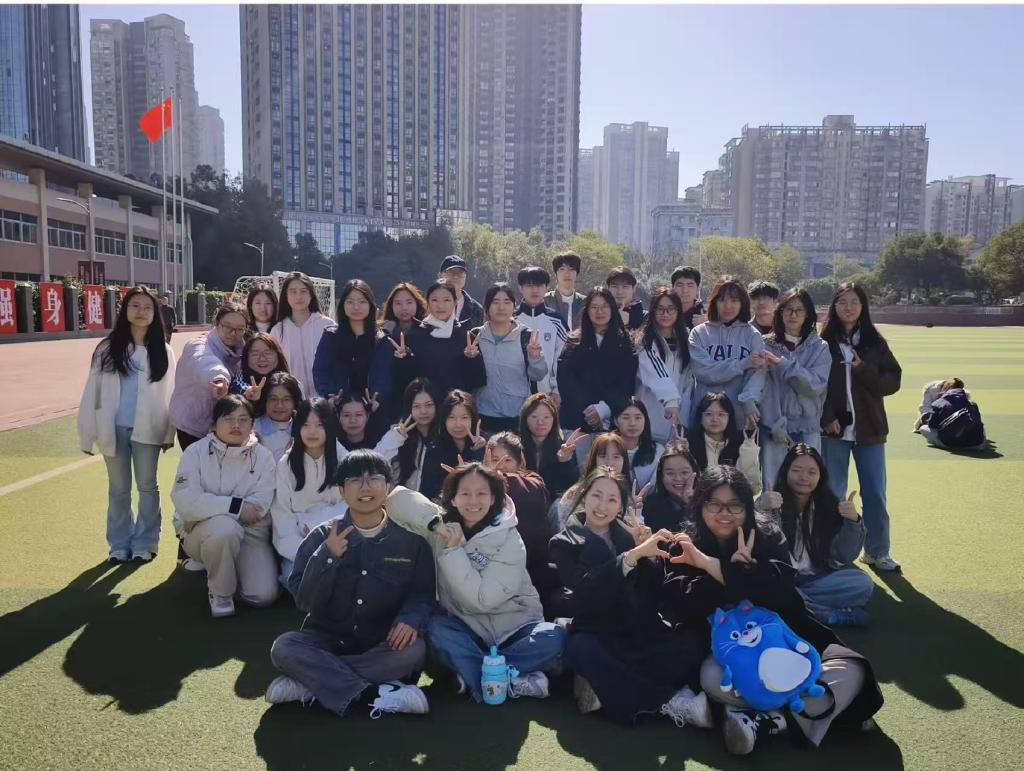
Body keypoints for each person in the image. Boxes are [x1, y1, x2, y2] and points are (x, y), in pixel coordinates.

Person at [659, 465, 883, 756]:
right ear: (700, 504)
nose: (724, 513)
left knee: (852, 669)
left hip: (786, 642)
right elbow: (684, 605)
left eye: (735, 505)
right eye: (714, 503)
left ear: (747, 507)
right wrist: (728, 572)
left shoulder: (767, 535)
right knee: (711, 677)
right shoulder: (684, 545)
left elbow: (783, 594)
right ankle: (806, 713)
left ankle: (771, 720)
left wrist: (718, 568)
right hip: (730, 656)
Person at [266, 450, 436, 718]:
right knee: (284, 647)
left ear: (388, 487)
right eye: (355, 480)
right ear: (342, 491)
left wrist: (410, 619)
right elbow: (304, 600)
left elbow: (422, 595)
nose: (365, 487)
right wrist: (328, 556)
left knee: (414, 651)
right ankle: (373, 694)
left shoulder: (412, 543)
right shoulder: (322, 537)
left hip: (380, 643)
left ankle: (312, 682)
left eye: (374, 479)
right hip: (326, 639)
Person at [387, 463, 566, 702]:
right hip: (466, 628)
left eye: (481, 493)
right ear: (452, 498)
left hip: (516, 629)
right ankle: (513, 677)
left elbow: (483, 601)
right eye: (465, 493)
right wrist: (436, 525)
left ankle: (474, 674)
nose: (473, 501)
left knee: (554, 636)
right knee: (436, 630)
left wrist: (453, 551)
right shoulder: (442, 527)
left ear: (493, 498)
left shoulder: (509, 538)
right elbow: (395, 499)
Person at [549, 468, 708, 726]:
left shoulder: (630, 536)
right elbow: (584, 589)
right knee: (580, 649)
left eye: (612, 499)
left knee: (689, 643)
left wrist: (649, 555)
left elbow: (655, 591)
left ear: (621, 505)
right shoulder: (563, 542)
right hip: (598, 633)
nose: (602, 506)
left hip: (638, 632)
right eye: (596, 495)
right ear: (584, 496)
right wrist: (630, 557)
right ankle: (669, 701)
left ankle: (603, 687)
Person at [78, 286, 176, 563]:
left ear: (155, 313)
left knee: (147, 486)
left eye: (147, 307)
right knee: (118, 489)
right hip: (114, 428)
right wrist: (87, 433)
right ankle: (119, 544)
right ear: (125, 311)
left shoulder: (163, 350)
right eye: (135, 306)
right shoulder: (107, 349)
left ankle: (146, 542)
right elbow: (92, 391)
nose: (141, 312)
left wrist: (168, 433)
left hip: (149, 428)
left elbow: (170, 394)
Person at [819, 283, 902, 573]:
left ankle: (878, 551)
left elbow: (892, 382)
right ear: (834, 306)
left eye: (854, 302)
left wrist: (862, 368)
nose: (849, 307)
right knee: (833, 493)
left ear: (863, 306)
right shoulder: (823, 342)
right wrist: (826, 416)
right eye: (842, 302)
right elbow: (816, 386)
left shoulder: (874, 341)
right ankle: (834, 551)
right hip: (834, 431)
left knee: (875, 493)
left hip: (870, 430)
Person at [171, 395, 279, 617]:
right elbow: (185, 501)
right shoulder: (195, 452)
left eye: (243, 419)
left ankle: (220, 566)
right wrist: (236, 507)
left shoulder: (264, 457)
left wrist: (203, 511)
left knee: (262, 596)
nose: (236, 425)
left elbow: (257, 508)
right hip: (202, 533)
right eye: (228, 419)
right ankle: (221, 594)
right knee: (223, 529)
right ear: (214, 424)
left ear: (252, 424)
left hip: (250, 532)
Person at [756, 444, 874, 627]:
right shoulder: (771, 501)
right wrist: (759, 508)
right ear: (786, 472)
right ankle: (825, 614)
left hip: (816, 580)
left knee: (862, 583)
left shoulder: (829, 505)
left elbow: (844, 556)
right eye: (796, 470)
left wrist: (853, 521)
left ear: (821, 476)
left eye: (812, 472)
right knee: (766, 588)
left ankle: (797, 608)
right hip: (781, 579)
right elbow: (755, 546)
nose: (804, 477)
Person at [270, 398, 347, 588]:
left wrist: (313, 523)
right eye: (306, 425)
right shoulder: (286, 464)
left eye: (319, 425)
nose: (312, 432)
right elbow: (282, 515)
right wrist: (305, 551)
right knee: (296, 581)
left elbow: (350, 505)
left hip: (337, 537)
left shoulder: (343, 459)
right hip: (299, 542)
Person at [557, 287, 639, 462]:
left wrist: (603, 409)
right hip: (576, 421)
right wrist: (589, 409)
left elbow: (627, 383)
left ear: (612, 309)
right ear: (587, 311)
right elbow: (565, 381)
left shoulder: (625, 343)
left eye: (604, 307)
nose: (599, 311)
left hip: (610, 422)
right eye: (594, 307)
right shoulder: (574, 341)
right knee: (579, 470)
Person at [758, 289, 831, 488]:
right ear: (780, 312)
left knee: (807, 487)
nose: (793, 315)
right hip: (775, 429)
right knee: (773, 488)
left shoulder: (819, 347)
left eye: (799, 310)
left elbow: (814, 386)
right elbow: (764, 391)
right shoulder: (765, 345)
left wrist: (783, 365)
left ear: (807, 314)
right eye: (788, 309)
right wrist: (772, 423)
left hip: (808, 428)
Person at [484, 433, 560, 619]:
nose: (500, 465)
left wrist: (495, 477)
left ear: (519, 462)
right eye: (494, 459)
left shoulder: (533, 480)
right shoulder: (482, 484)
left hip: (533, 566)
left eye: (507, 460)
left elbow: (529, 491)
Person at [688, 276, 766, 430]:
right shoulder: (699, 333)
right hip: (705, 417)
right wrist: (742, 364)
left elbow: (758, 374)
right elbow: (704, 371)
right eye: (722, 300)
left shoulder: (753, 335)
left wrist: (748, 399)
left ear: (742, 303)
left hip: (740, 418)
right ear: (714, 302)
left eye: (734, 300)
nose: (728, 306)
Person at [391, 281, 486, 404]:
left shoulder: (466, 336)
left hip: (455, 408)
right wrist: (403, 360)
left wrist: (472, 359)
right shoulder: (415, 335)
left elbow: (477, 382)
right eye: (435, 300)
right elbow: (404, 382)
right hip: (424, 408)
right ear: (427, 303)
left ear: (455, 303)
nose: (440, 306)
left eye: (446, 300)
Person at [471, 282, 548, 433]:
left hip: (517, 416)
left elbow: (538, 375)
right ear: (487, 306)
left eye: (507, 302)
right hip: (483, 415)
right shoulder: (476, 336)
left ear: (514, 306)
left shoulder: (525, 336)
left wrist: (535, 357)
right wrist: (469, 358)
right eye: (495, 302)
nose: (501, 307)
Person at [312, 280, 394, 420]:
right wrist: (329, 395)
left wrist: (379, 397)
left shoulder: (382, 340)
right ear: (343, 305)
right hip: (339, 410)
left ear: (370, 305)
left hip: (373, 410)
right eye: (350, 302)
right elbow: (320, 370)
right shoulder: (331, 336)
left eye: (362, 302)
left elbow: (386, 374)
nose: (356, 307)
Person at [169, 303, 247, 449]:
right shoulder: (198, 345)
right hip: (192, 426)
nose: (233, 333)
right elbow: (204, 361)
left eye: (239, 329)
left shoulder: (243, 350)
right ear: (217, 323)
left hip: (222, 425)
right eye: (227, 326)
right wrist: (219, 378)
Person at [637, 288, 693, 444]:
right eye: (660, 309)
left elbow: (688, 383)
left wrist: (684, 420)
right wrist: (671, 400)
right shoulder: (645, 341)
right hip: (650, 421)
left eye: (670, 309)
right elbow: (656, 372)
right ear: (653, 311)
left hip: (677, 423)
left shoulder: (687, 339)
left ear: (678, 311)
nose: (665, 314)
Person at [271, 272, 334, 398]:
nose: (298, 296)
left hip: (326, 399)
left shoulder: (327, 325)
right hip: (293, 400)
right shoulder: (278, 330)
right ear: (285, 296)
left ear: (311, 294)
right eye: (293, 292)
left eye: (303, 291)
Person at [416, 389, 487, 501]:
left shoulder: (487, 446)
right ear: (444, 420)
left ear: (473, 419)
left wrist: (478, 451)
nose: (458, 424)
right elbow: (427, 493)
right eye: (451, 417)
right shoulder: (435, 450)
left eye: (464, 418)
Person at [555, 432, 634, 527]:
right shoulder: (575, 493)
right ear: (594, 459)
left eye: (616, 457)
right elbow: (563, 526)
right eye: (603, 456)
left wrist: (636, 511)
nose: (609, 462)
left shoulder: (629, 496)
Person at [515, 265, 568, 405]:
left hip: (547, 396)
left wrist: (557, 390)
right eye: (529, 285)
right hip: (514, 395)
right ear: (520, 288)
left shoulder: (557, 321)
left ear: (546, 288)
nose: (534, 290)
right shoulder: (511, 319)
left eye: (539, 285)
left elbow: (563, 359)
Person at [375, 378, 437, 492]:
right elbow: (374, 463)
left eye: (428, 405)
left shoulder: (444, 435)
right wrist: (397, 437)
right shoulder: (397, 434)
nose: (423, 411)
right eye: (417, 406)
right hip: (403, 500)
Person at [519, 393, 579, 499]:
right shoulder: (515, 446)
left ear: (554, 419)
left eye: (546, 417)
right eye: (534, 416)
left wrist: (564, 460)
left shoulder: (564, 447)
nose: (540, 422)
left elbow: (571, 487)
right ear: (525, 419)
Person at [639, 441, 699, 533]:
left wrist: (690, 504)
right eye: (670, 473)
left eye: (684, 472)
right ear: (661, 476)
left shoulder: (705, 502)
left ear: (694, 472)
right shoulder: (650, 505)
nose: (678, 478)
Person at [231, 333, 291, 412]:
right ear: (246, 357)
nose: (262, 359)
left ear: (278, 356)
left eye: (268, 353)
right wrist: (248, 396)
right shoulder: (237, 383)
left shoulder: (291, 384)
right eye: (255, 354)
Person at [918, 382, 987, 451]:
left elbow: (932, 425)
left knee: (923, 428)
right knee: (979, 425)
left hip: (950, 444)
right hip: (977, 445)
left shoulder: (937, 403)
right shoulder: (972, 404)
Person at [613, 398, 664, 490]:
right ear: (616, 421)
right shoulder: (606, 448)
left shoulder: (658, 451)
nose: (632, 423)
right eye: (626, 418)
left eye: (638, 418)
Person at [254, 372, 303, 461]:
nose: (279, 405)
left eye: (286, 399)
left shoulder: (303, 428)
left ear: (294, 402)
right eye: (273, 399)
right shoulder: (253, 428)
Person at [438, 254, 484, 329]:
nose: (456, 277)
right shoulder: (428, 306)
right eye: (451, 272)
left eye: (460, 273)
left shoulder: (477, 310)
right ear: (440, 276)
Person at [545, 251, 586, 331]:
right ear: (555, 273)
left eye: (571, 269)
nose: (567, 274)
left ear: (577, 273)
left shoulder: (585, 302)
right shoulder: (545, 301)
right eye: (562, 269)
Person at [606, 266, 646, 331]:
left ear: (633, 288)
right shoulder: (599, 315)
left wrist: (625, 326)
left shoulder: (646, 318)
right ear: (608, 288)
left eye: (625, 286)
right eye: (615, 286)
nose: (620, 292)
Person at [670, 266, 706, 331]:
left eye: (690, 285)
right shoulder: (663, 314)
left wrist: (705, 329)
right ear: (672, 288)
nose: (685, 290)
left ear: (698, 289)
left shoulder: (707, 316)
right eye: (680, 285)